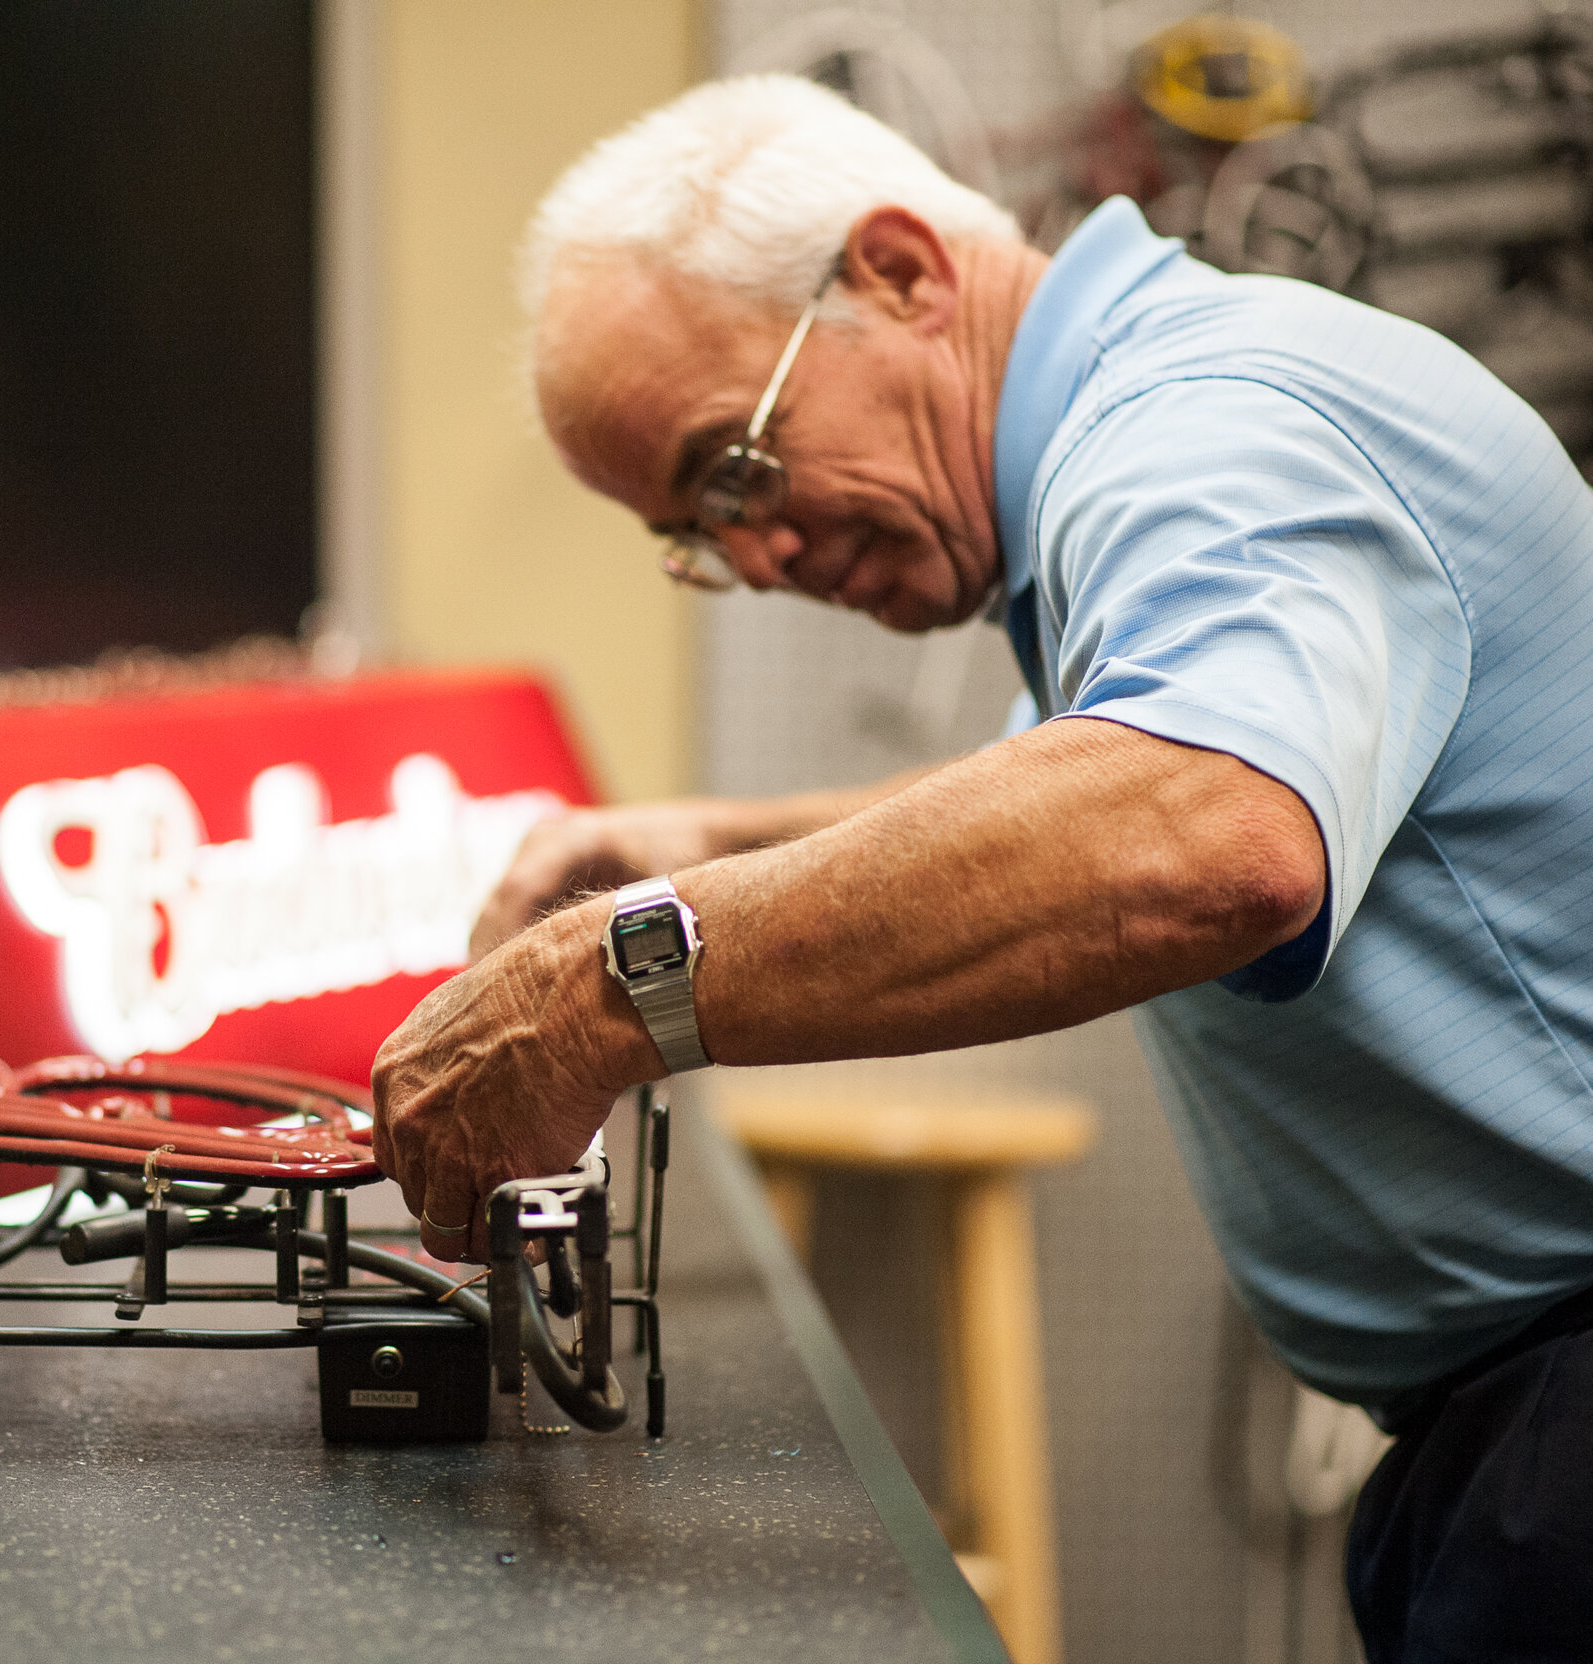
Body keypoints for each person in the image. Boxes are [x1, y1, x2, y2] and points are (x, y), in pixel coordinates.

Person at [369, 73, 1593, 1660]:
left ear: (897, 272)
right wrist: (691, 849)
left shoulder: (1209, 430)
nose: (755, 561)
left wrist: (599, 985)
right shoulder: (1146, 439)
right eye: (699, 535)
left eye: (733, 469)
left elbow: (1196, 832)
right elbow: (1047, 791)